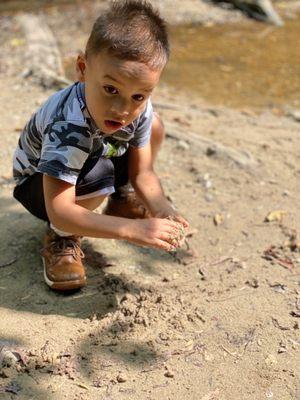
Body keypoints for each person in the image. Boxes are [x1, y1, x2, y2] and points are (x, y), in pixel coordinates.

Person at [12, 0, 188, 292]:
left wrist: (161, 208)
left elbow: (143, 172)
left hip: (95, 153)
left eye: (138, 96)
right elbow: (59, 208)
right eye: (110, 89)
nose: (122, 108)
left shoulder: (137, 107)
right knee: (98, 177)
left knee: (153, 126)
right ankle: (62, 239)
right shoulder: (69, 125)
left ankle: (122, 198)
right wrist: (133, 231)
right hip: (39, 186)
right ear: (82, 68)